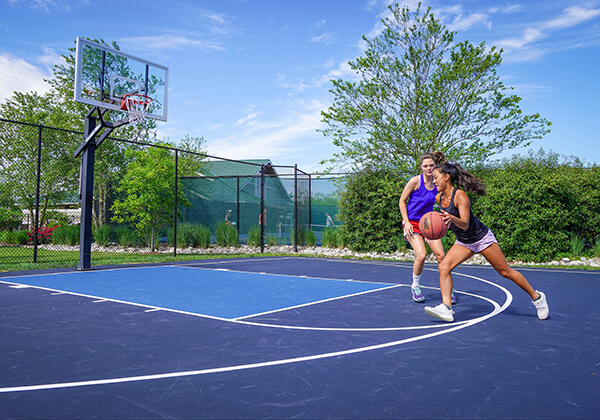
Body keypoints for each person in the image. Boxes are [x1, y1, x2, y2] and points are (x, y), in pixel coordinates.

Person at [424, 162, 550, 322]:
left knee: (505, 272)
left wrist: (452, 218)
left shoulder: (460, 196)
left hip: (481, 238)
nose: (434, 181)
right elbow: (445, 224)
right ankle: (446, 308)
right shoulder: (439, 198)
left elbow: (464, 223)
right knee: (444, 266)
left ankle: (537, 298)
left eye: (436, 177)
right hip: (464, 241)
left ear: (446, 177)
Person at [399, 151, 449, 303]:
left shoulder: (437, 183)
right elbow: (402, 201)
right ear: (421, 167)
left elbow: (443, 201)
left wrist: (444, 214)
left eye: (431, 165)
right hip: (412, 222)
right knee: (421, 255)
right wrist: (406, 221)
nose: (428, 168)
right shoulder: (415, 181)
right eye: (425, 166)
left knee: (441, 256)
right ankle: (415, 286)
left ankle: (447, 290)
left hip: (428, 222)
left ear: (435, 166)